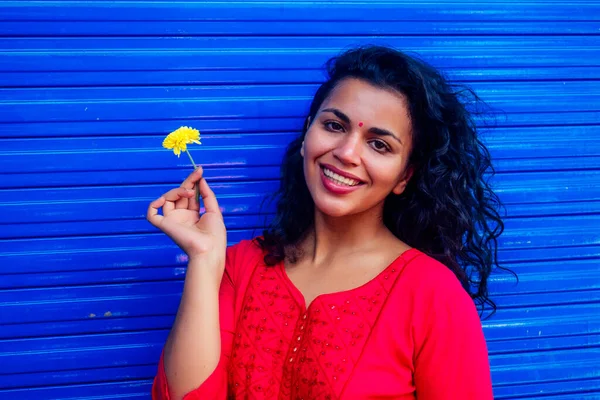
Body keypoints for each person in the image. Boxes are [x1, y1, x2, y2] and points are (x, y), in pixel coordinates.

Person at [147, 45, 503, 399]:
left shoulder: (432, 296)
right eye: (334, 125)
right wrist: (204, 259)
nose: (347, 153)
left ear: (404, 177)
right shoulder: (241, 267)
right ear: (306, 136)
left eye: (379, 145)